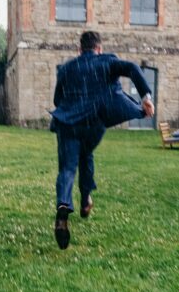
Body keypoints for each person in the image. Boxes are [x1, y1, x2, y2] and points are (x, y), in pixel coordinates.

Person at [50, 31, 154, 249]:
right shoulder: (107, 61)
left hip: (68, 124)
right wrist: (145, 98)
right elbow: (133, 68)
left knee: (67, 169)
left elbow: (57, 99)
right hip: (94, 124)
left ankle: (63, 207)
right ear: (99, 48)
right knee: (86, 155)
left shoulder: (66, 68)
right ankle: (85, 200)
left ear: (79, 50)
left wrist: (72, 106)